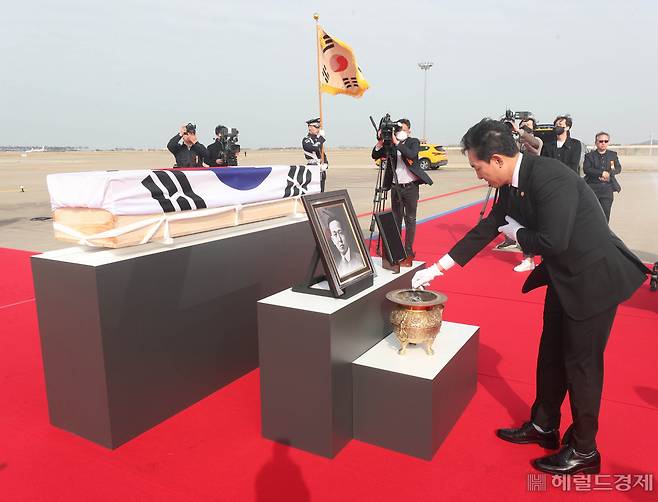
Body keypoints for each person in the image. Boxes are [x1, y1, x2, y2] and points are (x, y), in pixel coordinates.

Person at [412, 119, 648, 475]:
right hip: (564, 277)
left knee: (581, 367)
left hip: (593, 280)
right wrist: (436, 269)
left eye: (477, 167)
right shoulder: (513, 182)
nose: (478, 176)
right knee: (550, 354)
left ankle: (585, 450)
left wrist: (519, 233)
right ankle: (544, 425)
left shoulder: (549, 176)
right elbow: (488, 227)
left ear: (496, 159)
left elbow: (555, 240)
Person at [371, 118, 433, 267]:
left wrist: (397, 143)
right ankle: (397, 253)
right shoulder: (392, 144)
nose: (401, 132)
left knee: (410, 220)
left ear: (409, 130)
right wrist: (380, 142)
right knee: (396, 220)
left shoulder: (413, 142)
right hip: (395, 187)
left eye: (403, 129)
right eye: (399, 130)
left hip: (411, 187)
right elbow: (375, 156)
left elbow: (411, 155)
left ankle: (409, 252)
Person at [510, 117, 543, 272]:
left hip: (535, 185)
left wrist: (523, 135)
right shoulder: (517, 143)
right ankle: (528, 258)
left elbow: (536, 149)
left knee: (541, 224)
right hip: (519, 186)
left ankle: (544, 257)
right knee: (524, 224)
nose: (525, 128)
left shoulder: (537, 140)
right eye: (523, 126)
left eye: (528, 126)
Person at [583, 132, 622, 222]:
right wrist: (601, 173)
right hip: (593, 188)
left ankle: (604, 234)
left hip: (607, 189)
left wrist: (609, 174)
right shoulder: (589, 156)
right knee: (592, 214)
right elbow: (587, 169)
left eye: (606, 141)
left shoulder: (613, 155)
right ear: (596, 142)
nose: (603, 143)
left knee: (605, 214)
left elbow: (618, 168)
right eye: (601, 141)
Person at [302, 118, 328, 192]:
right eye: (316, 127)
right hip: (312, 168)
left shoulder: (317, 140)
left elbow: (322, 154)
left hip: (321, 169)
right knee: (313, 193)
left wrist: (326, 164)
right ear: (310, 127)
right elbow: (314, 148)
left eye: (319, 127)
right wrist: (321, 138)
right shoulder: (306, 140)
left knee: (321, 192)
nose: (318, 129)